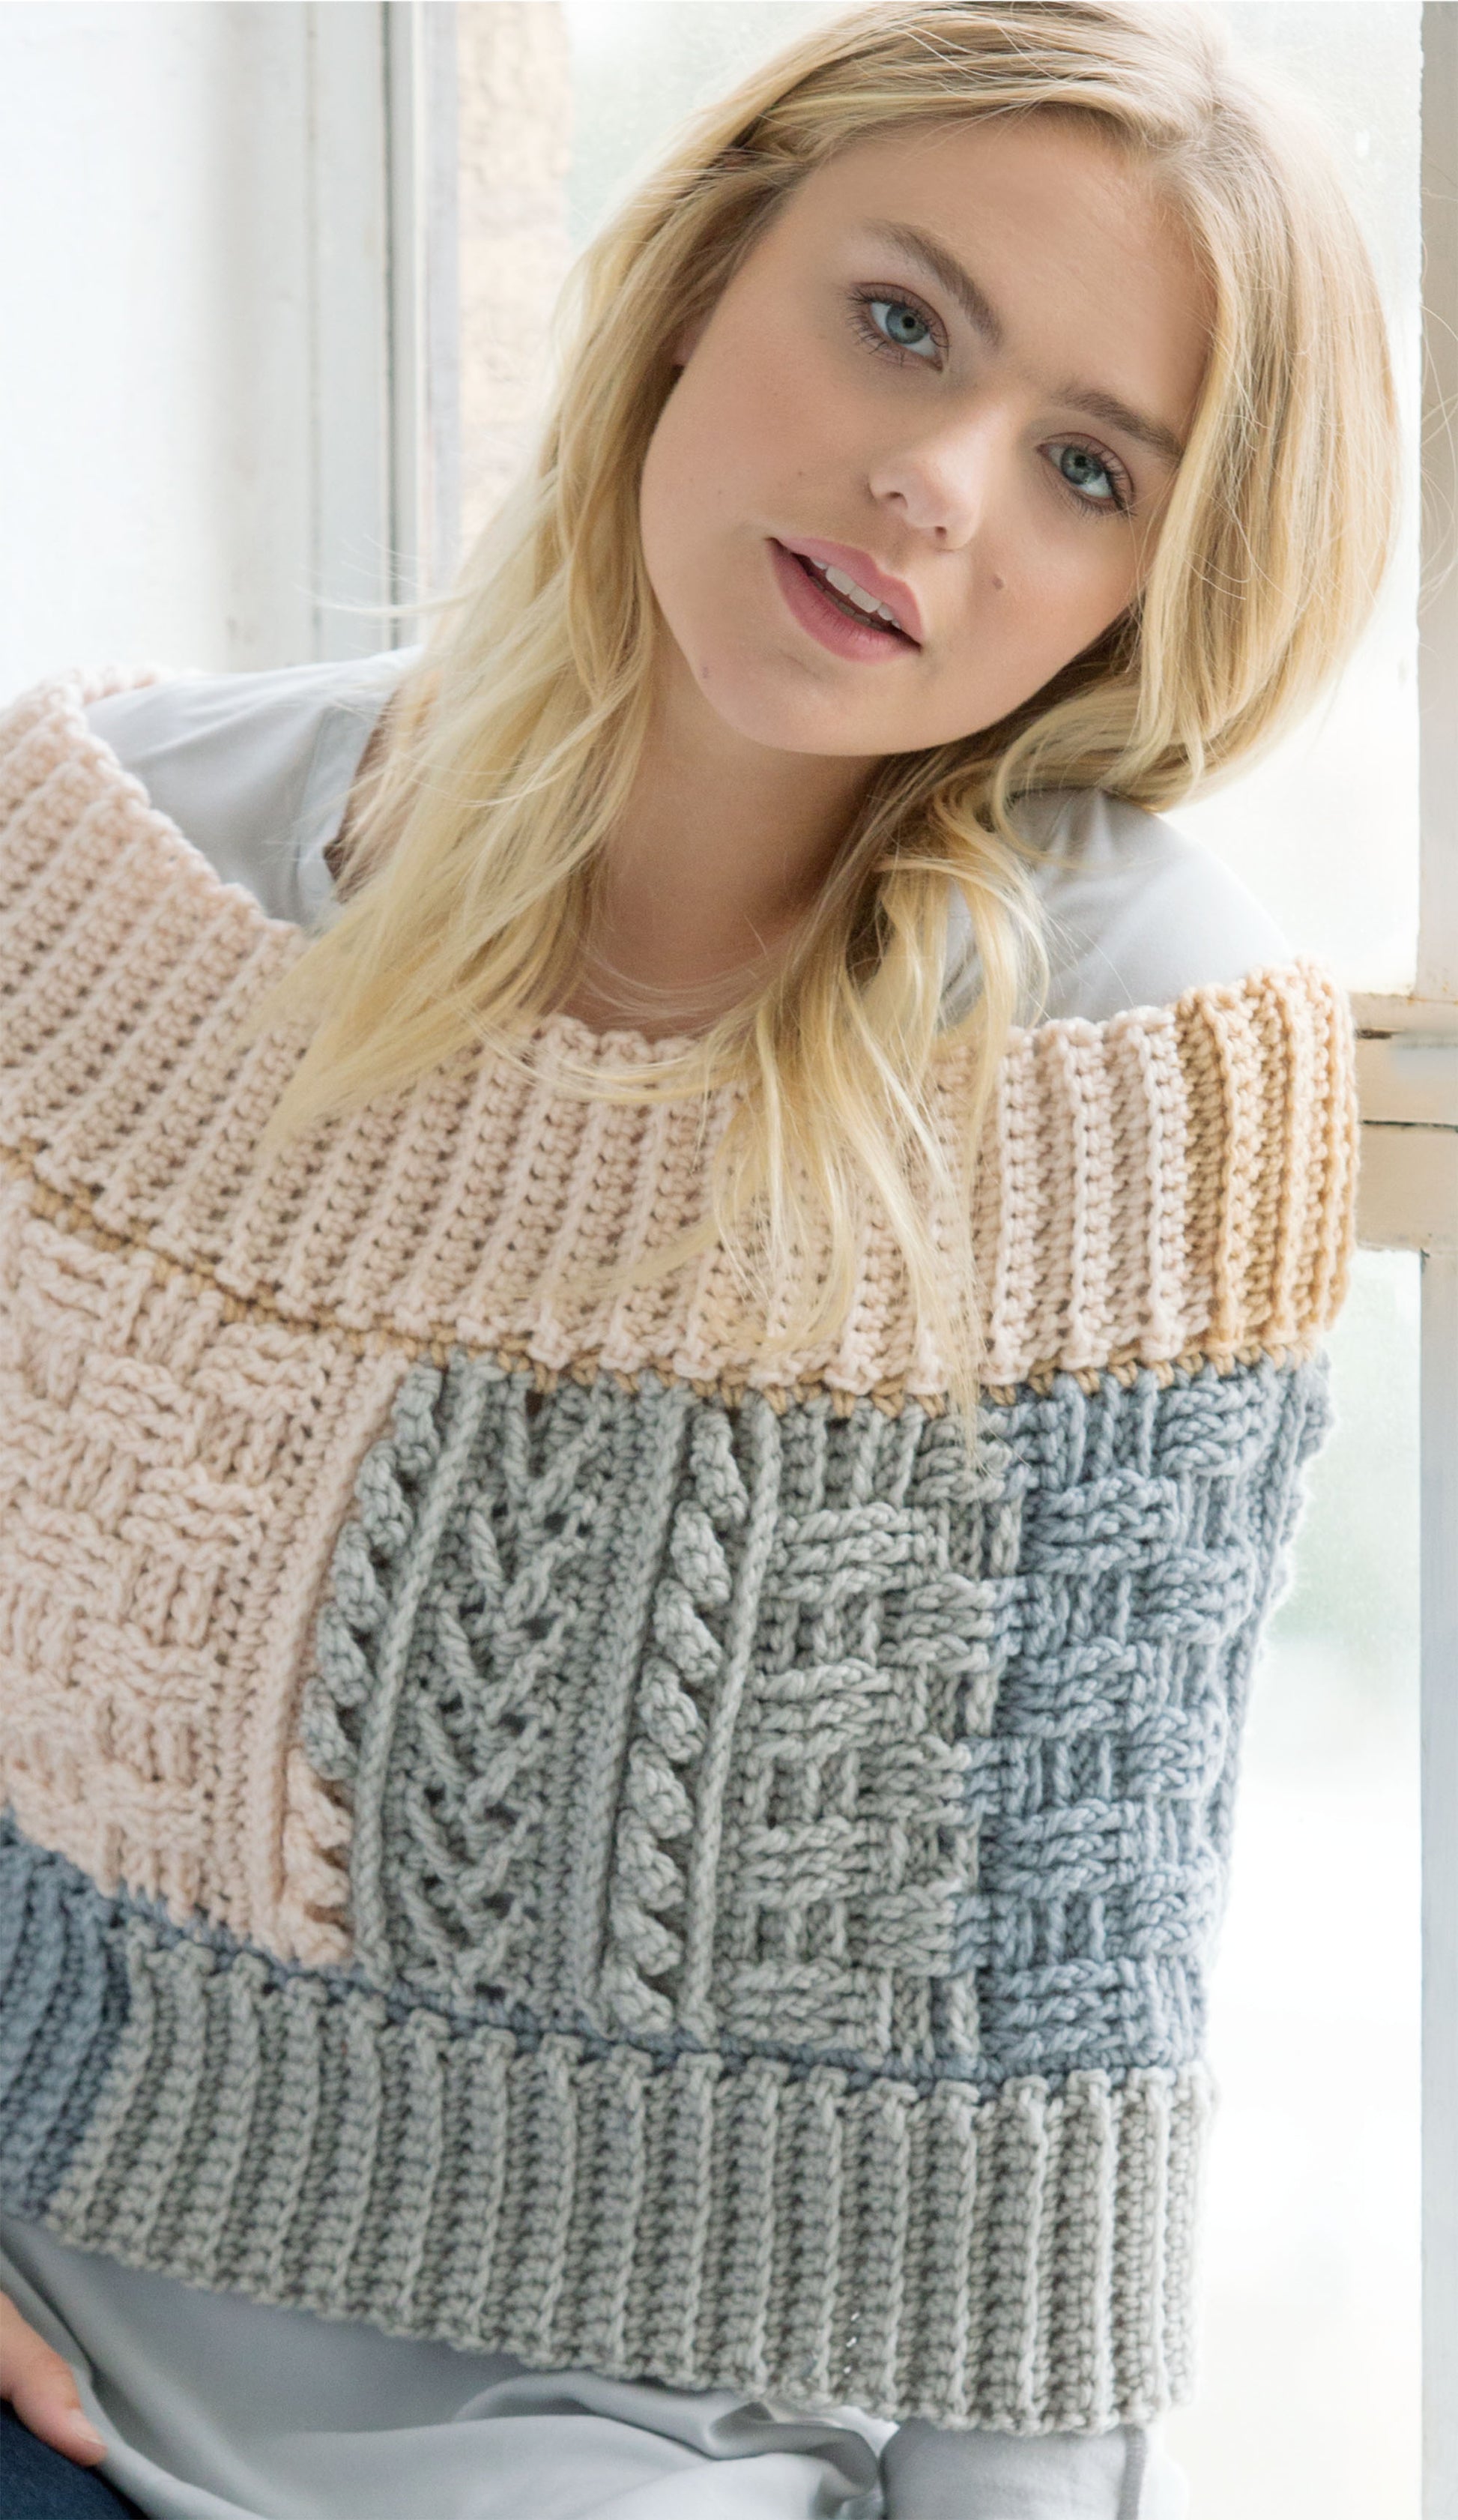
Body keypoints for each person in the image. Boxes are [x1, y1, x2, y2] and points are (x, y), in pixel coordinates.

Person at [0, 4, 1397, 2514]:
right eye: (901, 321)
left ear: (1141, 593)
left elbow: (1063, 2057)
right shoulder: (113, 865)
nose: (933, 482)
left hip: (612, 2455)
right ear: (699, 272)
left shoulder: (1124, 1057)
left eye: (1085, 467)